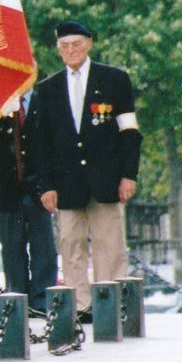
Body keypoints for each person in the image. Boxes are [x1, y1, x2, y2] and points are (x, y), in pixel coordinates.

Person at [37, 20, 142, 318]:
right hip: (66, 184)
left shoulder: (114, 79)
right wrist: (46, 186)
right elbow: (41, 143)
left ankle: (111, 306)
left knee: (110, 245)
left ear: (89, 44)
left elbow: (129, 131)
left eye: (77, 44)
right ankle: (81, 308)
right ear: (58, 49)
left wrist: (129, 174)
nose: (71, 50)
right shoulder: (47, 88)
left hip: (107, 180)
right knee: (71, 246)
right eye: (64, 46)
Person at [0, 89, 57, 313]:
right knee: (12, 246)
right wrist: (3, 113)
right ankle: (17, 298)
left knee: (44, 245)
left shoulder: (44, 97)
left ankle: (42, 299)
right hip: (6, 185)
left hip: (38, 183)